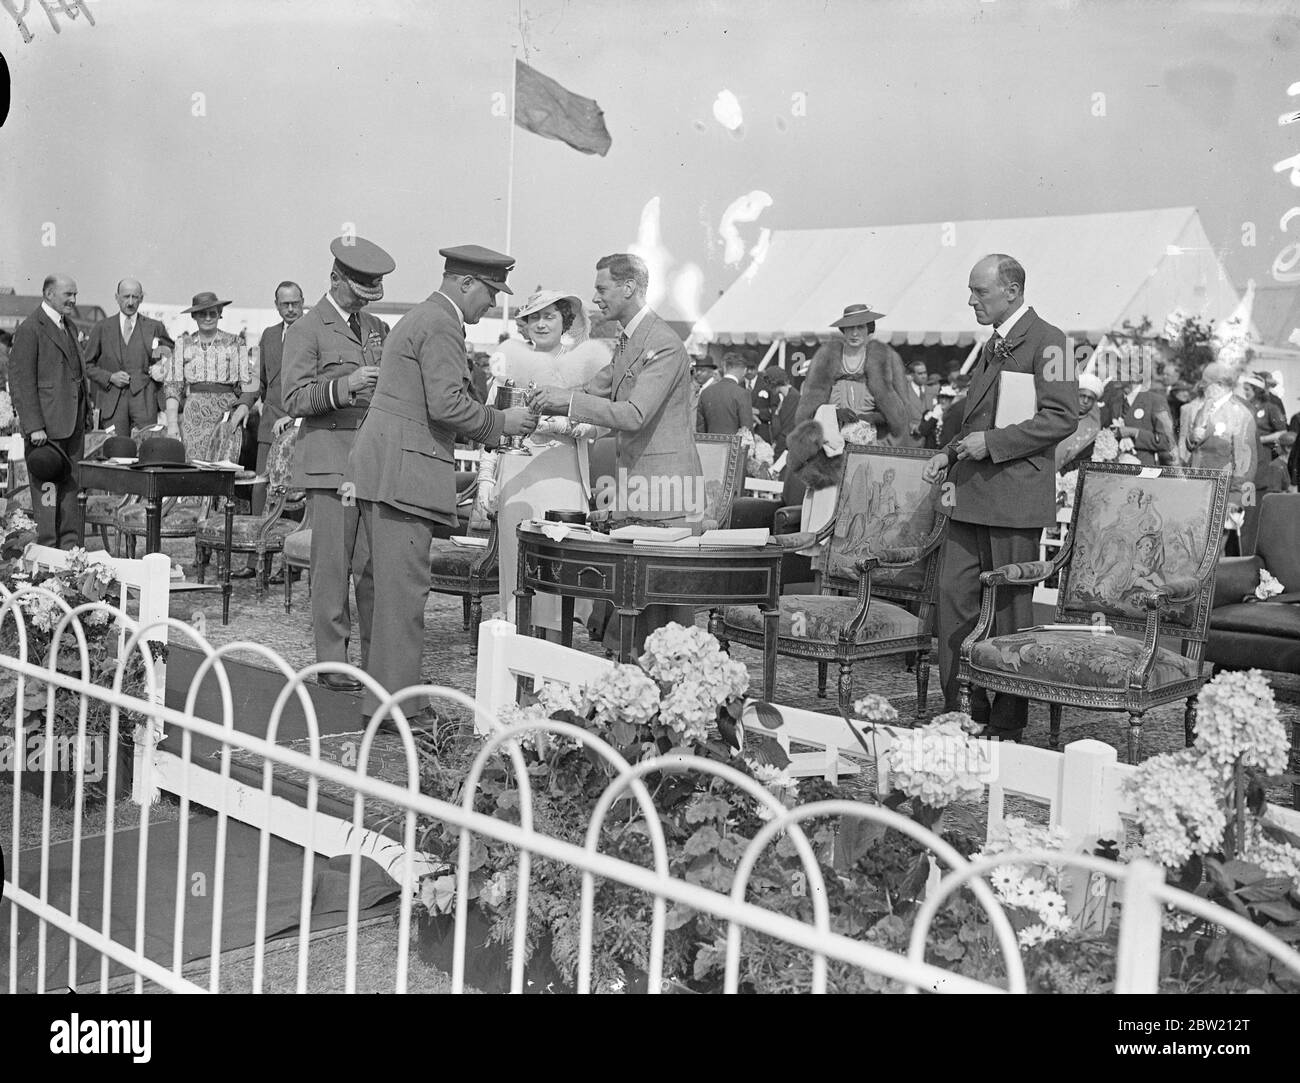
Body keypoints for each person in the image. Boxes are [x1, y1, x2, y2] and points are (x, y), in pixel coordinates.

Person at [350, 245, 536, 727]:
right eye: (490, 293)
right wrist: (503, 420)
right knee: (403, 593)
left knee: (387, 590)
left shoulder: (424, 318)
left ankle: (392, 698)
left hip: (386, 466)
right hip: (403, 474)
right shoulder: (442, 325)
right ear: (466, 283)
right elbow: (448, 406)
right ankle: (396, 708)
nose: (490, 306)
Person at [922, 254, 1078, 739]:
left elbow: (1061, 418)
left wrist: (989, 445)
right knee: (953, 598)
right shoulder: (993, 344)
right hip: (970, 495)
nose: (971, 301)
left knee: (1010, 610)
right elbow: (978, 420)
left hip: (1013, 501)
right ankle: (961, 710)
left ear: (1012, 291)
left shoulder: (1054, 341)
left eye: (980, 292)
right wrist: (950, 453)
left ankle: (1008, 723)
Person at [528, 252, 702, 653]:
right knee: (636, 613)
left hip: (668, 496)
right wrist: (553, 395)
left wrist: (565, 403)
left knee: (665, 616)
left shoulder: (662, 343)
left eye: (602, 288)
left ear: (629, 287)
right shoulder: (631, 338)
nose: (596, 297)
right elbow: (597, 387)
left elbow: (635, 413)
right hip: (641, 491)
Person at [283, 238, 394, 689]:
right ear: (334, 279)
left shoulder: (376, 327)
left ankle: (376, 663)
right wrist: (344, 386)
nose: (365, 299)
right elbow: (291, 397)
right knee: (331, 568)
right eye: (358, 290)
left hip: (370, 464)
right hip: (328, 463)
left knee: (372, 569)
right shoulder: (308, 329)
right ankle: (332, 663)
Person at [476, 289, 610, 635]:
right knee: (518, 571)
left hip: (562, 479)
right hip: (517, 480)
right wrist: (485, 481)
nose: (540, 324)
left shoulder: (583, 363)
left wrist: (559, 422)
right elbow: (492, 424)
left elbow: (601, 421)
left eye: (548, 316)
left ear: (565, 319)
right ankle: (518, 664)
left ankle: (555, 665)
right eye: (533, 317)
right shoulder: (511, 363)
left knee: (558, 569)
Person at [9, 273, 92, 548]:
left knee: (70, 488)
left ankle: (68, 549)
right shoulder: (31, 328)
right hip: (45, 430)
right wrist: (34, 426)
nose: (73, 299)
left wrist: (86, 416)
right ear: (48, 294)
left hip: (73, 427)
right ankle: (47, 550)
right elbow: (20, 381)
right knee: (46, 490)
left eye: (75, 294)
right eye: (68, 294)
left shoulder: (67, 326)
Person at [795, 304, 912, 444]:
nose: (854, 333)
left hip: (870, 440)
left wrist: (873, 417)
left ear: (869, 329)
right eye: (850, 328)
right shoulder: (826, 359)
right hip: (831, 440)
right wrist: (835, 414)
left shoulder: (885, 360)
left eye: (860, 327)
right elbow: (808, 411)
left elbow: (898, 414)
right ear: (843, 330)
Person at [161, 291, 256, 458]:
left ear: (220, 314)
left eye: (212, 313)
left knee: (225, 463)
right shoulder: (183, 344)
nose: (208, 318)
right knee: (195, 466)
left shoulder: (235, 342)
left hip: (226, 414)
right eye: (202, 314)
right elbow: (173, 387)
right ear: (194, 316)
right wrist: (172, 424)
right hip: (194, 417)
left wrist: (244, 407)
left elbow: (249, 381)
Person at [84, 278, 174, 438]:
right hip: (112, 402)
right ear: (116, 297)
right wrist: (110, 377)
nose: (130, 302)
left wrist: (161, 365)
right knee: (116, 451)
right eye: (126, 297)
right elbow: (86, 364)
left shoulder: (154, 327)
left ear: (141, 298)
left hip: (145, 401)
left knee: (147, 450)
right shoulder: (102, 328)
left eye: (135, 297)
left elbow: (168, 354)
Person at [1178, 361, 1254, 546]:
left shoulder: (1239, 413)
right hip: (1195, 488)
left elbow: (1244, 462)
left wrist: (1235, 500)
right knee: (1193, 546)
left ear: (1220, 385)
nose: (1202, 387)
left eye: (1206, 383)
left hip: (1222, 492)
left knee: (1214, 551)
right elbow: (1191, 446)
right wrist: (1191, 438)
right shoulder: (1201, 407)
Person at [254, 281, 304, 521]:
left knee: (295, 488)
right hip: (270, 423)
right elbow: (259, 380)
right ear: (276, 305)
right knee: (261, 484)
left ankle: (292, 548)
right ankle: (256, 543)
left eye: (296, 303)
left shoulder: (313, 333)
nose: (291, 309)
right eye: (285, 304)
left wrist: (296, 417)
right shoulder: (269, 335)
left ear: (303, 303)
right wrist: (244, 405)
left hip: (302, 424)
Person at [1099, 370, 1175, 466]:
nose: (1113, 377)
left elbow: (1166, 441)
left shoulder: (1155, 401)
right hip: (1116, 468)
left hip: (1144, 469)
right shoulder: (1115, 401)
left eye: (1119, 373)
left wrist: (1134, 432)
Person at [1055, 371, 1105, 473]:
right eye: (1082, 396)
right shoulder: (1057, 415)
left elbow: (1082, 461)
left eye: (1090, 398)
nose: (1085, 401)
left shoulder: (1092, 431)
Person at [696, 351, 753, 435]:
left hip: (710, 445)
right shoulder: (742, 394)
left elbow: (700, 428)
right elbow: (747, 430)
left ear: (725, 368)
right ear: (744, 371)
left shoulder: (706, 392)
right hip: (733, 446)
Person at [766, 367, 801, 457]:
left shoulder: (793, 397)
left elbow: (787, 430)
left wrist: (777, 451)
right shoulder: (787, 397)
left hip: (785, 449)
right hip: (783, 445)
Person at [902, 359, 937, 445]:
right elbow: (900, 415)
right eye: (920, 373)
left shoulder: (932, 391)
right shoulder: (904, 391)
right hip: (911, 440)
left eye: (925, 373)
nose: (924, 376)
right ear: (912, 375)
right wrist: (911, 427)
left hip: (929, 441)